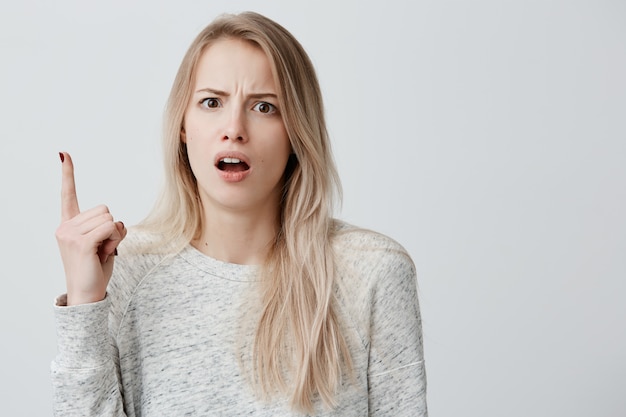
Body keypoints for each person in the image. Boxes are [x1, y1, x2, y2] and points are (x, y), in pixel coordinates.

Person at [52, 11, 427, 416]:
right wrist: (85, 304)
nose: (234, 128)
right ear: (183, 125)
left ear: (297, 132)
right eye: (211, 102)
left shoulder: (371, 273)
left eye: (264, 107)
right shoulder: (123, 270)